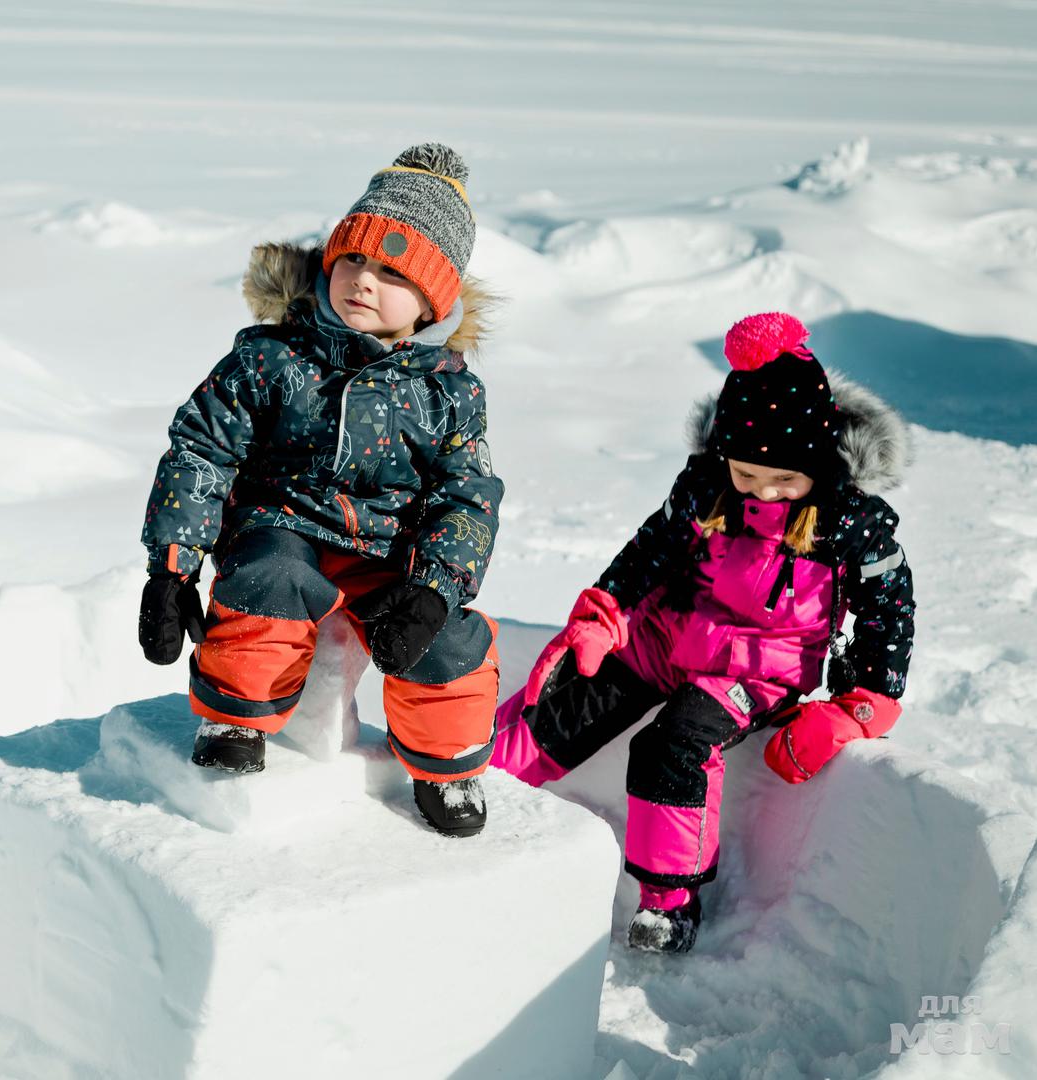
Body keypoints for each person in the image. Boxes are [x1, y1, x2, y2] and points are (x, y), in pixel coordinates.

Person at [490, 312, 915, 952]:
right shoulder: (708, 485)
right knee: (580, 694)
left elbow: (889, 610)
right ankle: (482, 782)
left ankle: (670, 902)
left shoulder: (849, 525)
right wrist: (603, 612)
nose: (763, 490)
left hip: (758, 669)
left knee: (674, 744)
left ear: (820, 467)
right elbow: (651, 550)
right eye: (746, 475)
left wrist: (863, 706)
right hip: (671, 635)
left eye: (784, 481)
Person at [138, 144, 505, 837]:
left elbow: (469, 495)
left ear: (434, 301)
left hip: (387, 549)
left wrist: (436, 586)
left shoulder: (449, 391)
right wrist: (173, 566)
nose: (364, 280)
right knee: (268, 579)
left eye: (394, 272)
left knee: (447, 643)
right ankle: (236, 717)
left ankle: (446, 764)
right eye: (355, 258)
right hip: (283, 524)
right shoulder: (272, 357)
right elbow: (202, 450)